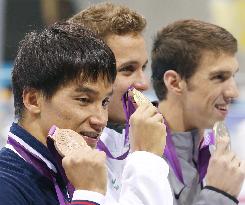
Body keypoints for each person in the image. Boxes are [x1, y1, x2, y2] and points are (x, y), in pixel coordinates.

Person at [0, 21, 172, 205]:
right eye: (84, 100)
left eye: (104, 102)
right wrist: (88, 196)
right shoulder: (6, 185)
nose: (100, 120)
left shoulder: (75, 172)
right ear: (33, 100)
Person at [151, 19, 245, 204]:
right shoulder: (137, 158)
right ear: (175, 82)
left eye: (233, 76)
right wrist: (219, 195)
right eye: (219, 77)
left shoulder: (216, 149)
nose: (233, 92)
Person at [68, 3, 152, 201]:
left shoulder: (125, 140)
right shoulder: (66, 161)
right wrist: (147, 158)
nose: (143, 83)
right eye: (128, 69)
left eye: (143, 68)